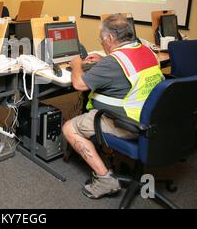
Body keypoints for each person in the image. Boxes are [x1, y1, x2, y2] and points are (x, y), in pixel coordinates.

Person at [62, 14, 164, 199]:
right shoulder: (147, 51)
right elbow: (130, 69)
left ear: (110, 38)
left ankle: (104, 179)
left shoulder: (114, 62)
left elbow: (78, 84)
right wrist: (104, 62)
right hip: (154, 117)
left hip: (129, 123)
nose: (101, 43)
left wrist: (77, 64)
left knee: (69, 127)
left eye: (101, 40)